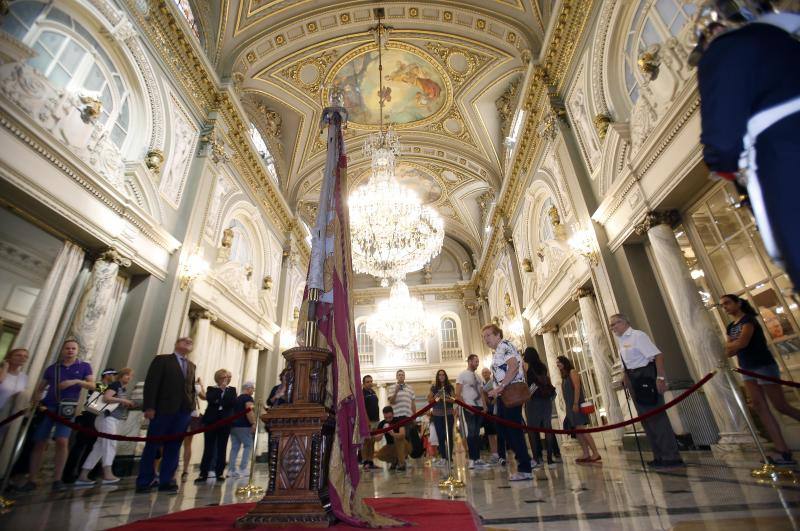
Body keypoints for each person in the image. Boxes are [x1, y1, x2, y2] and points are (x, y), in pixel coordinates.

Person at [691, 1, 800, 288]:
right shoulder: (786, 35)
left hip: (787, 156)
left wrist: (722, 165)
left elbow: (723, 141)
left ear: (715, 28)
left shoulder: (724, 48)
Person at [721, 294, 800, 465]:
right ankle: (782, 450)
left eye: (727, 303)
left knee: (780, 405)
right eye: (722, 305)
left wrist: (733, 344)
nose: (725, 307)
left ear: (738, 303)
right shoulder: (730, 326)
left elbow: (742, 343)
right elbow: (727, 350)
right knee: (759, 406)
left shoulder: (749, 320)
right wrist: (733, 345)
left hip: (763, 365)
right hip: (746, 367)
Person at [609, 314, 682, 468]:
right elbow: (627, 364)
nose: (613, 328)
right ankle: (659, 455)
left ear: (624, 322)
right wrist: (625, 378)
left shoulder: (638, 336)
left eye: (614, 324)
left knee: (656, 417)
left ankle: (671, 456)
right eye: (611, 326)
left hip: (645, 376)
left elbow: (658, 356)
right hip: (633, 379)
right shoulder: (622, 341)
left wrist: (660, 378)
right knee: (646, 419)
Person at [22, 339, 94, 492]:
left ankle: (57, 479)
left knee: (62, 440)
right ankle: (32, 479)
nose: (70, 351)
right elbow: (40, 388)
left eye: (73, 348)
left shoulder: (84, 366)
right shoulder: (53, 368)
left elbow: (93, 385)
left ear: (77, 350)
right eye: (67, 348)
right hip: (49, 406)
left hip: (68, 408)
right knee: (39, 442)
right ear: (62, 350)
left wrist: (75, 381)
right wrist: (36, 402)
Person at [136, 337, 196, 494]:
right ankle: (145, 480)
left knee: (174, 446)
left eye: (190, 341)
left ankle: (167, 480)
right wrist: (149, 406)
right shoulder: (162, 360)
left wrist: (191, 409)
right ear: (176, 344)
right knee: (153, 445)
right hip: (163, 409)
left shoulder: (191, 366)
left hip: (183, 412)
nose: (188, 342)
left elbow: (191, 389)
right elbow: (152, 383)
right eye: (184, 340)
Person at [482, 324, 535, 480]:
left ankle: (525, 467)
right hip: (505, 393)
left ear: (498, 335)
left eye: (488, 335)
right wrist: (497, 389)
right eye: (484, 337)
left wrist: (501, 387)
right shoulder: (498, 350)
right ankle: (525, 459)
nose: (486, 339)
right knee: (503, 427)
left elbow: (513, 367)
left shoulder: (504, 345)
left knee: (512, 429)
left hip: (511, 391)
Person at [74, 368, 136, 487]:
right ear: (121, 376)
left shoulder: (122, 388)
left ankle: (83, 475)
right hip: (107, 418)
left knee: (99, 448)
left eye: (131, 376)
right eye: (127, 375)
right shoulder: (116, 384)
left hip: (112, 418)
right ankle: (107, 473)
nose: (129, 377)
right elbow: (106, 398)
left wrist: (124, 403)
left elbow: (113, 401)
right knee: (109, 444)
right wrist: (122, 400)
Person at [63, 367, 119, 483]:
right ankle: (69, 474)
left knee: (93, 446)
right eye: (112, 374)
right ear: (106, 375)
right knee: (80, 445)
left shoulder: (110, 388)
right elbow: (95, 397)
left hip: (99, 417)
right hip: (89, 417)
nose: (114, 376)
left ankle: (87, 473)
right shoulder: (99, 385)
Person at [556, 356, 601, 464]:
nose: (557, 364)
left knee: (582, 429)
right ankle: (586, 453)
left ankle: (595, 453)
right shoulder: (564, 376)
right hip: (570, 407)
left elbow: (577, 387)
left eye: (559, 362)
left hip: (576, 404)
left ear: (564, 362)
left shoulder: (572, 372)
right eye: (556, 363)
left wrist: (576, 403)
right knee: (577, 431)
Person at [195, 369, 236, 483]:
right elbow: (211, 399)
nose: (225, 380)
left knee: (222, 448)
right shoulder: (211, 389)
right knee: (208, 447)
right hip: (211, 421)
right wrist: (221, 392)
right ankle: (204, 473)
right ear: (218, 378)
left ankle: (219, 472)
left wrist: (220, 399)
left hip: (225, 422)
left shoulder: (232, 390)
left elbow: (231, 402)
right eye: (223, 378)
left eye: (227, 378)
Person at [523, 347, 558, 467]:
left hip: (534, 401)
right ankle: (549, 458)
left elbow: (530, 385)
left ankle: (536, 458)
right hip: (546, 399)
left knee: (532, 430)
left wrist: (527, 397)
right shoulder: (543, 366)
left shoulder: (528, 368)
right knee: (548, 429)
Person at [456, 354, 489, 469]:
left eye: (478, 361)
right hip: (469, 406)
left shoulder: (478, 376)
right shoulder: (462, 375)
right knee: (471, 432)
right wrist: (465, 407)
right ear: (469, 361)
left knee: (476, 433)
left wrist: (484, 406)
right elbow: (458, 394)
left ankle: (478, 458)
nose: (477, 363)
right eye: (476, 361)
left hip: (479, 407)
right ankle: (472, 459)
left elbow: (481, 393)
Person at [427, 369, 455, 467]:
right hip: (437, 415)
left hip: (448, 414)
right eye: (440, 375)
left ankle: (449, 457)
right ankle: (443, 457)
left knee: (449, 436)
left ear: (445, 376)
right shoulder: (434, 387)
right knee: (441, 436)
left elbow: (454, 400)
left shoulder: (450, 387)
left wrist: (445, 398)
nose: (441, 376)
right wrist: (436, 397)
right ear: (437, 377)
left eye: (443, 375)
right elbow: (429, 400)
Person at [228, 381, 256, 477]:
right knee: (248, 445)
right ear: (248, 388)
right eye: (252, 388)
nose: (253, 390)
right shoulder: (248, 398)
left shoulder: (237, 398)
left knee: (234, 447)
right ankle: (243, 468)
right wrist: (253, 423)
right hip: (244, 426)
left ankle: (231, 470)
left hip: (233, 426)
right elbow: (249, 411)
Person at [180, 377, 205, 482]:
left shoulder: (183, 383)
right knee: (187, 444)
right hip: (189, 414)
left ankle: (184, 469)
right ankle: (185, 470)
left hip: (183, 414)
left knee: (179, 443)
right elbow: (204, 396)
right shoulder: (195, 385)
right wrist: (201, 386)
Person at [0, 348, 29, 434]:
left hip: (11, 414)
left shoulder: (23, 377)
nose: (22, 358)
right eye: (18, 355)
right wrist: (5, 367)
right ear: (10, 357)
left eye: (25, 356)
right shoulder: (2, 371)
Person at [375, 406, 410, 471]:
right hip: (391, 446)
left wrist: (392, 434)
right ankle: (394, 461)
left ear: (393, 414)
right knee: (379, 455)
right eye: (386, 418)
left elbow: (402, 435)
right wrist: (382, 432)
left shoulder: (398, 420)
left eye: (390, 417)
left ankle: (402, 463)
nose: (388, 419)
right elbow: (377, 439)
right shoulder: (382, 423)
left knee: (398, 440)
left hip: (403, 445)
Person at [480, 367, 504, 465]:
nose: (485, 374)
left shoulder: (493, 382)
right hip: (487, 411)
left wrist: (494, 401)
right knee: (489, 432)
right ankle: (494, 453)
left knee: (496, 432)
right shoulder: (482, 384)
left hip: (494, 410)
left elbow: (497, 393)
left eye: (486, 372)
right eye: (483, 373)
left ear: (490, 373)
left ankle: (499, 452)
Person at [361, 375, 380, 470]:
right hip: (367, 421)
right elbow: (363, 408)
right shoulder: (362, 393)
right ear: (363, 383)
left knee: (372, 442)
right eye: (368, 382)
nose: (370, 383)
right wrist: (367, 420)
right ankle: (365, 462)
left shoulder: (373, 392)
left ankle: (371, 461)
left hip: (375, 420)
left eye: (371, 381)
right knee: (366, 441)